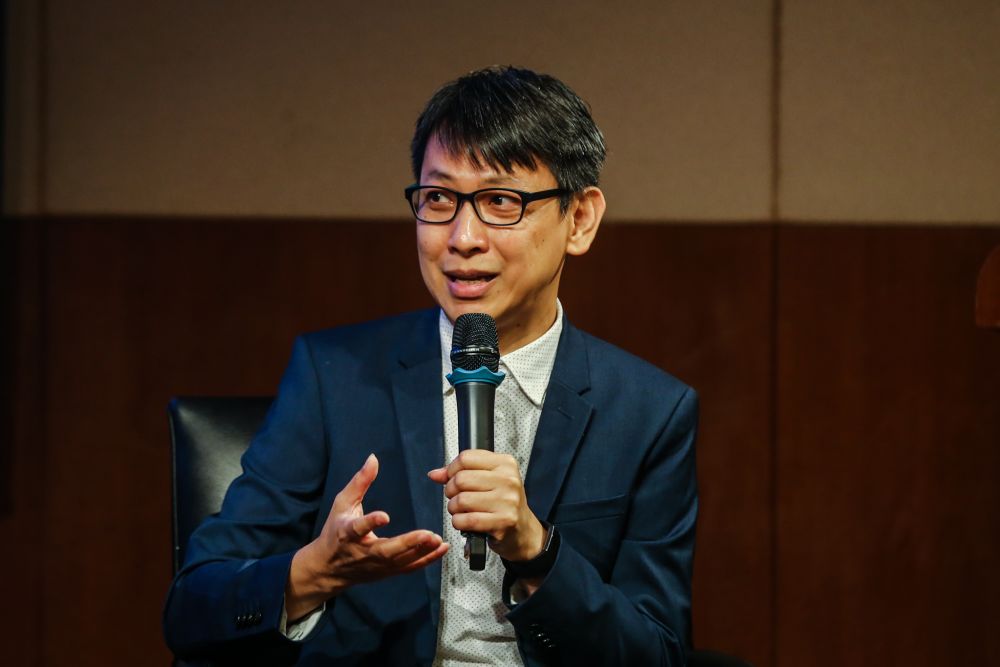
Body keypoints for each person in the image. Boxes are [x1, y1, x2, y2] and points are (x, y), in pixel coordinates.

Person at [163, 65, 698, 667]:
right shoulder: (334, 376)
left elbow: (659, 654)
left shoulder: (650, 410)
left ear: (579, 220)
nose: (462, 237)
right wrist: (311, 572)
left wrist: (537, 550)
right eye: (439, 199)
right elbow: (192, 608)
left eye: (501, 201)